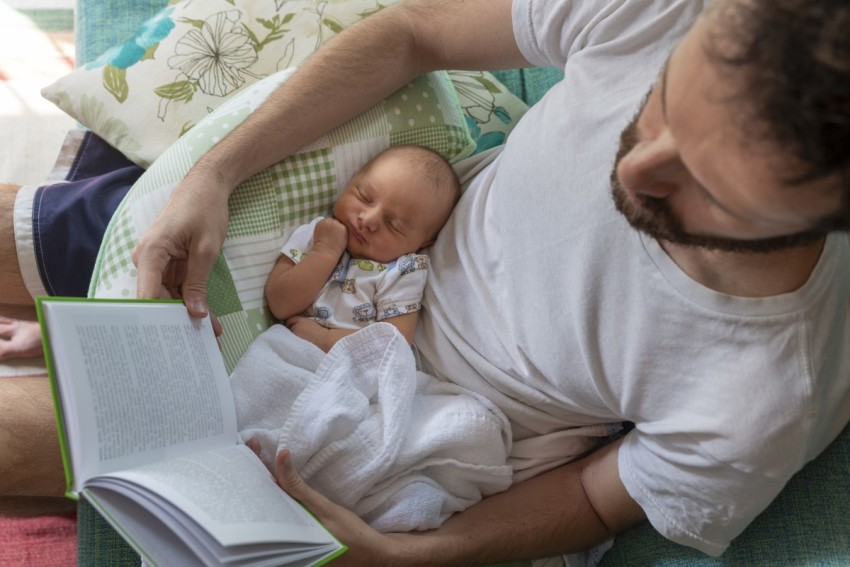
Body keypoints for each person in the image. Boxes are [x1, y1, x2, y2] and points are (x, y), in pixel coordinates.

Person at [1, 0, 848, 564]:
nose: (636, 163)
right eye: (662, 100)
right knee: (58, 232)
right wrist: (214, 178)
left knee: (74, 430)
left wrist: (403, 554)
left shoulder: (762, 395)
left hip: (418, 410)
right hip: (399, 220)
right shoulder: (676, 13)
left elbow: (596, 496)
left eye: (705, 184)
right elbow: (414, 33)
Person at [266, 144, 460, 351]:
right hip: (287, 353)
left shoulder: (402, 271)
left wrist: (324, 339)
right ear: (353, 179)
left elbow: (394, 344)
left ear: (423, 243)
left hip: (354, 370)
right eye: (364, 197)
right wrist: (324, 253)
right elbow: (279, 304)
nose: (368, 220)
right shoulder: (318, 233)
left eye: (394, 225)